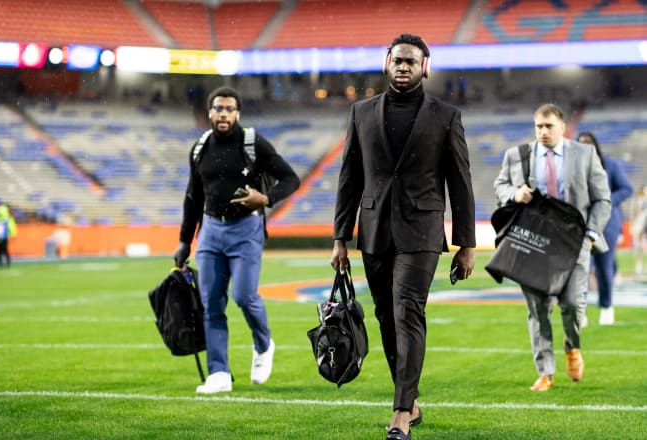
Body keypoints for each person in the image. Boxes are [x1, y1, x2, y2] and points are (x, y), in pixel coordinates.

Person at [331, 34, 476, 440]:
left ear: (425, 67)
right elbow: (349, 179)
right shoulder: (360, 112)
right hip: (374, 231)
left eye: (412, 61)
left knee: (407, 311)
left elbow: (460, 182)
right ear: (386, 62)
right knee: (384, 316)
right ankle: (410, 399)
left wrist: (466, 243)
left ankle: (399, 413)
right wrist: (340, 238)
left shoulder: (446, 116)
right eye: (398, 60)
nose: (404, 67)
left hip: (423, 230)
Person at [173, 86, 300, 394]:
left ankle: (263, 343)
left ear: (238, 113)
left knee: (244, 296)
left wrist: (266, 198)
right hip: (211, 233)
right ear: (210, 112)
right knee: (212, 304)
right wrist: (184, 241)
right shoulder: (200, 148)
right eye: (219, 108)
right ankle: (219, 373)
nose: (224, 114)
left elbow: (291, 178)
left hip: (246, 230)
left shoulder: (253, 143)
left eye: (230, 109)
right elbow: (193, 198)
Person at [494, 103, 611, 392]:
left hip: (575, 244)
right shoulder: (517, 155)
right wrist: (513, 192)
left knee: (572, 304)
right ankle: (545, 372)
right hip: (532, 244)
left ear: (562, 126)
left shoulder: (585, 154)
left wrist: (591, 236)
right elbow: (499, 186)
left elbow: (602, 199)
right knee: (538, 310)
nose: (543, 132)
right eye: (538, 127)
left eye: (549, 126)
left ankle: (572, 346)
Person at [577, 132, 633, 326]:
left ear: (595, 145)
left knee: (604, 268)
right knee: (581, 268)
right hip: (582, 224)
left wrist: (606, 202)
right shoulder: (573, 168)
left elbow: (627, 189)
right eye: (580, 143)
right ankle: (580, 312)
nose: (584, 146)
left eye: (588, 143)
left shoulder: (611, 165)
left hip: (607, 224)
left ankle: (607, 308)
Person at [0, 203, 18, 268]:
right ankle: (1, 264)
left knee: (4, 250)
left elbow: (11, 227)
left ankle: (7, 264)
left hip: (4, 237)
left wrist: (13, 234)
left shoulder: (8, 219)